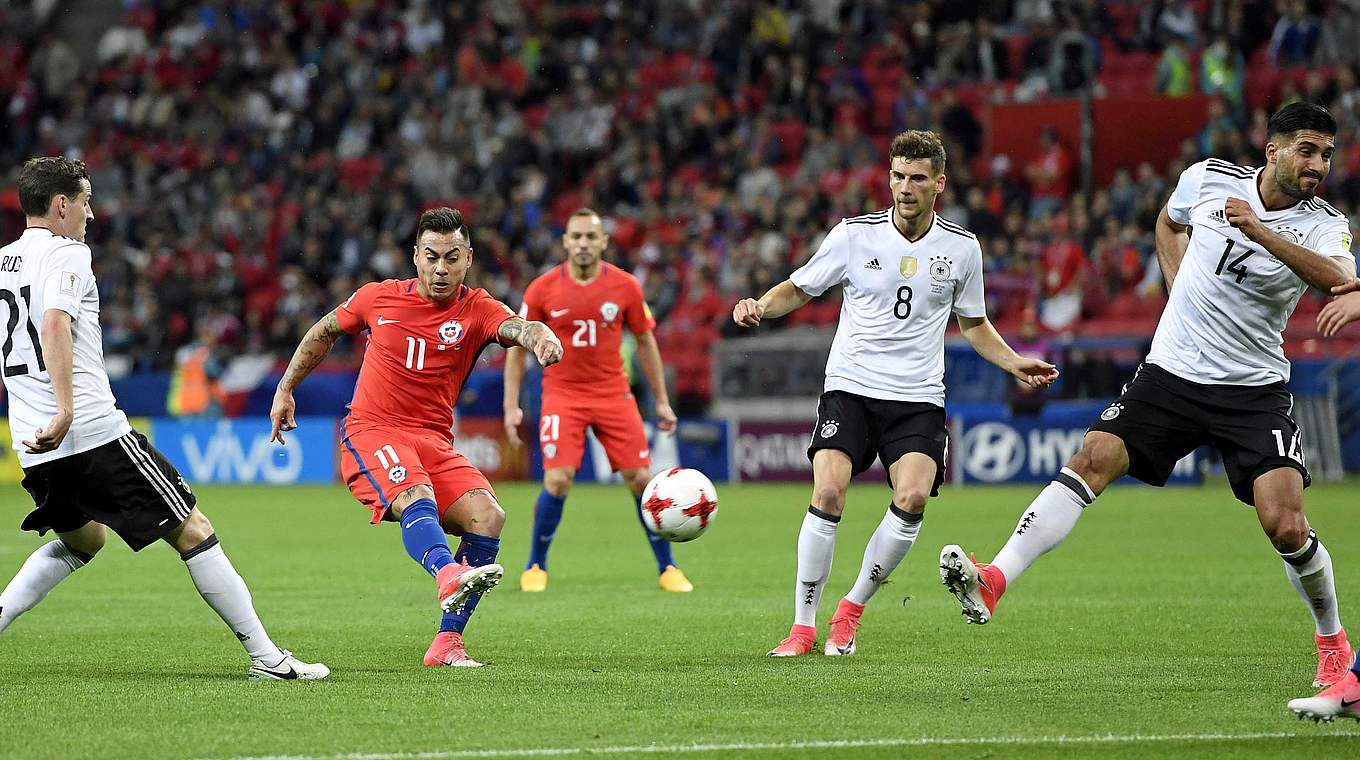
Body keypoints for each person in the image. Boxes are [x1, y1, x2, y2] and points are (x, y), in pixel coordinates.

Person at [940, 102, 1357, 689]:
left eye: (1327, 154)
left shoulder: (1323, 223)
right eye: (1308, 150)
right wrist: (1176, 285)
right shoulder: (1209, 178)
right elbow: (1168, 220)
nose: (1319, 164)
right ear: (1274, 149)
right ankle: (995, 578)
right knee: (1093, 457)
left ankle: (1333, 643)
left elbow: (1338, 277)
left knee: (1285, 523)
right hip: (1172, 373)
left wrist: (1259, 231)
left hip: (1251, 389)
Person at [732, 130, 1058, 657]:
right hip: (851, 388)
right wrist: (759, 305)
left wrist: (1014, 360)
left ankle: (851, 611)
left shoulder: (962, 248)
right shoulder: (853, 236)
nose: (905, 187)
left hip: (918, 396)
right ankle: (802, 627)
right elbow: (799, 287)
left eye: (917, 179)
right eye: (898, 176)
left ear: (939, 184)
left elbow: (974, 324)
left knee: (909, 499)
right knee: (829, 494)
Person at [0, 156, 328, 680]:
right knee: (194, 529)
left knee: (86, 540)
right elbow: (55, 322)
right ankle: (267, 657)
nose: (91, 213)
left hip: (34, 444)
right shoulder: (68, 254)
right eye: (85, 201)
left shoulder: (4, 262)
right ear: (60, 205)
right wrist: (65, 408)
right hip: (89, 431)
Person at [270, 207, 562, 668]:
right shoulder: (377, 298)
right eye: (431, 257)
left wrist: (540, 338)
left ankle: (446, 644)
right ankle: (448, 573)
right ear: (415, 257)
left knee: (489, 516)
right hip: (373, 430)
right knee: (415, 493)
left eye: (451, 257)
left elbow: (519, 327)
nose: (440, 269)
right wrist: (286, 389)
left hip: (433, 441)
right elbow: (323, 332)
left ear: (468, 257)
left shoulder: (478, 308)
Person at [503, 208, 688, 593]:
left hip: (613, 395)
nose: (584, 244)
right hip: (562, 395)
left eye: (591, 237)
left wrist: (662, 401)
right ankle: (536, 564)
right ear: (565, 242)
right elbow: (517, 349)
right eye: (576, 237)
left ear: (604, 241)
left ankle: (667, 568)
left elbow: (645, 341)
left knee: (640, 479)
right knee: (557, 479)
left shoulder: (625, 287)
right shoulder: (542, 289)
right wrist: (510, 406)